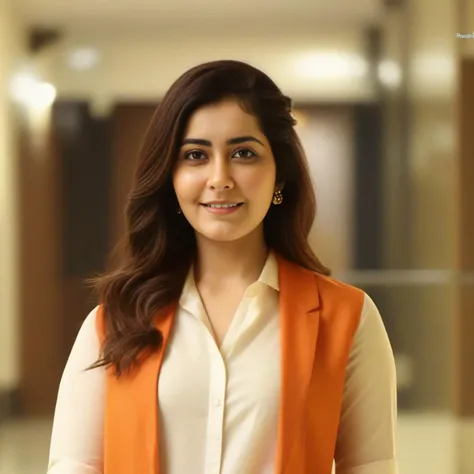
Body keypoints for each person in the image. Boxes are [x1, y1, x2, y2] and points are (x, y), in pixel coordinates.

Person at [47, 60, 398, 474]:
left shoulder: (347, 319)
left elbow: (371, 465)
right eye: (195, 155)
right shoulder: (114, 322)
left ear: (279, 176)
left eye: (243, 153)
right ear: (170, 177)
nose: (220, 177)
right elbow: (76, 465)